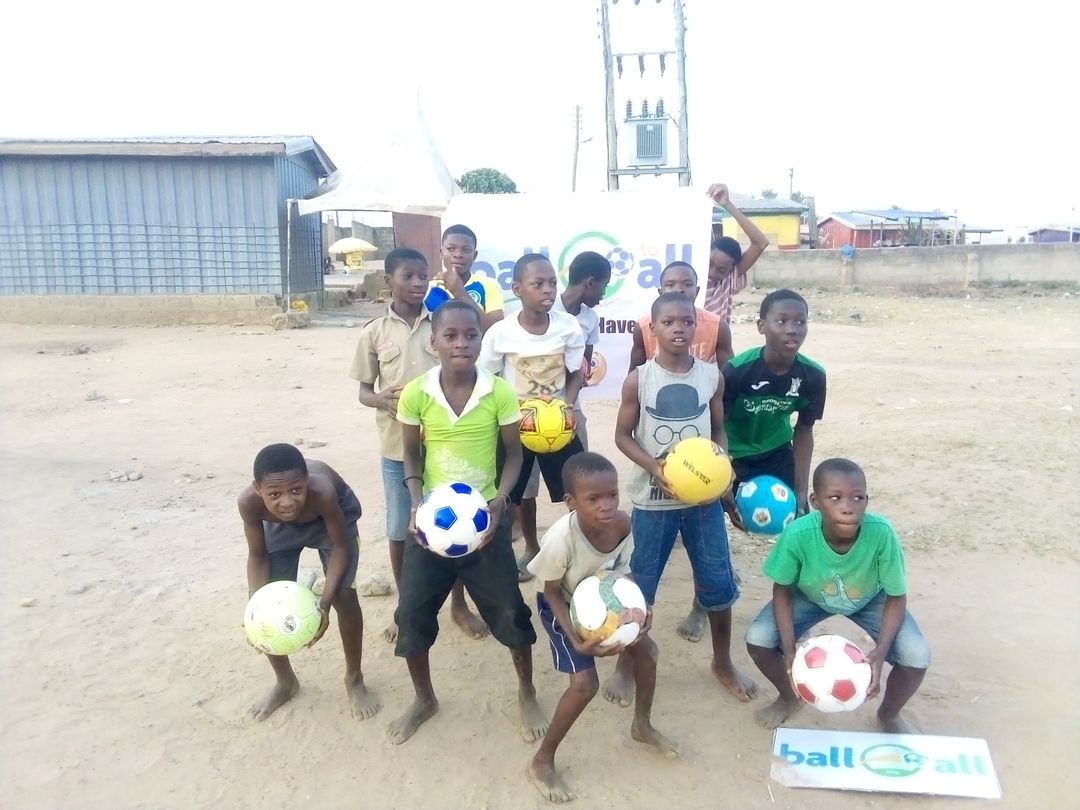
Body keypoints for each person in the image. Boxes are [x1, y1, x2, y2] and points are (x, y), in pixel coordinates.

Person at [388, 300, 548, 745]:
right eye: (450, 335)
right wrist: (417, 504)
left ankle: (527, 690)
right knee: (412, 614)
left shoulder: (498, 391)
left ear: (481, 339)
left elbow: (514, 455)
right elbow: (411, 454)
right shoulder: (417, 393)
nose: (461, 343)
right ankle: (424, 699)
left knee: (510, 612)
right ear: (433, 341)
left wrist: (500, 502)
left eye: (470, 335)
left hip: (484, 526)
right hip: (430, 527)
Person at [606, 293, 757, 708]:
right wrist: (656, 469)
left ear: (696, 326)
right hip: (653, 504)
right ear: (652, 329)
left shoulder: (711, 376)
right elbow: (621, 436)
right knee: (640, 586)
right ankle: (625, 665)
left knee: (717, 582)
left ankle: (722, 663)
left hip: (703, 504)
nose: (678, 328)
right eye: (668, 322)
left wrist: (722, 468)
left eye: (686, 321)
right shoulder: (640, 379)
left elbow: (718, 430)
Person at [351, 248, 487, 643]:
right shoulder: (374, 332)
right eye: (407, 276)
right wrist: (380, 399)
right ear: (388, 281)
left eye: (422, 276)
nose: (417, 283)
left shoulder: (443, 322)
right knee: (401, 528)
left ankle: (458, 605)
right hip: (399, 446)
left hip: (445, 446)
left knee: (456, 521)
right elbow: (364, 391)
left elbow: (469, 351)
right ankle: (406, 607)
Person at [526, 452, 677, 803]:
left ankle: (642, 725)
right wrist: (576, 641)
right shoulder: (560, 539)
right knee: (584, 685)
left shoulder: (622, 525)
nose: (606, 505)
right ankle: (542, 760)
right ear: (571, 502)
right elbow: (550, 592)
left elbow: (622, 570)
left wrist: (641, 606)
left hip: (605, 599)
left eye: (612, 495)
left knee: (648, 652)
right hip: (562, 606)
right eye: (593, 499)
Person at [745, 458, 930, 732]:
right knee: (758, 639)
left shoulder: (881, 534)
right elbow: (781, 590)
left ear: (866, 501)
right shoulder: (797, 534)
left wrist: (880, 652)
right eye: (835, 498)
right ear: (815, 501)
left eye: (858, 498)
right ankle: (789, 696)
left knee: (917, 656)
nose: (848, 507)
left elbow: (896, 596)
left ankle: (889, 714)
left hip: (869, 598)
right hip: (809, 595)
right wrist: (790, 650)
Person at [238, 444, 379, 721]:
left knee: (343, 595)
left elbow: (340, 547)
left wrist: (323, 604)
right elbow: (257, 556)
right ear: (258, 489)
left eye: (295, 490)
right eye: (274, 494)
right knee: (267, 607)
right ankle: (285, 682)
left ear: (306, 482)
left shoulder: (322, 492)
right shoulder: (249, 503)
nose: (287, 502)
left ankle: (354, 678)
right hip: (279, 526)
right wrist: (255, 607)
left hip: (331, 516)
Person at [479, 253, 587, 576]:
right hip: (516, 429)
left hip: (558, 427)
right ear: (517, 289)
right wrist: (501, 419)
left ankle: (581, 555)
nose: (548, 290)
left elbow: (576, 374)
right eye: (537, 284)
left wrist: (567, 405)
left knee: (580, 488)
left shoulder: (568, 327)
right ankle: (523, 553)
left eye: (552, 283)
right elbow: (488, 379)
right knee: (512, 496)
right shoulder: (500, 333)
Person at [515, 251, 611, 582]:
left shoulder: (587, 319)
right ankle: (531, 548)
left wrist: (566, 406)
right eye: (603, 287)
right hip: (527, 415)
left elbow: (580, 367)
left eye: (551, 283)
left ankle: (581, 548)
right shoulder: (538, 310)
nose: (603, 295)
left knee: (578, 478)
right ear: (590, 282)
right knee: (525, 487)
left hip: (567, 409)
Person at [722, 288, 825, 517]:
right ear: (762, 327)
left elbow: (804, 430)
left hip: (776, 450)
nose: (792, 329)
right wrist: (722, 479)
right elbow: (716, 426)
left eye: (800, 322)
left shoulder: (813, 375)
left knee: (795, 516)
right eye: (781, 321)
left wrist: (801, 490)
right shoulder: (736, 371)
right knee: (715, 511)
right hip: (734, 453)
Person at [628, 261, 733, 370]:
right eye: (670, 285)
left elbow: (730, 375)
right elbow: (634, 372)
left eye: (687, 284)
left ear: (697, 291)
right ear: (660, 292)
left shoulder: (717, 326)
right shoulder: (643, 327)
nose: (679, 289)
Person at [703, 183, 770, 323]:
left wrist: (727, 204)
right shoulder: (690, 275)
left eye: (721, 270)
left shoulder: (727, 281)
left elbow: (761, 243)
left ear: (731, 270)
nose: (712, 272)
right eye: (709, 264)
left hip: (717, 337)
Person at [425, 223, 504, 332]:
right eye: (451, 249)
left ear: (474, 255)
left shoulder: (489, 285)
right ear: (441, 253)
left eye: (466, 250)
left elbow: (496, 331)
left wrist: (460, 293)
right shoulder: (429, 288)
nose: (458, 254)